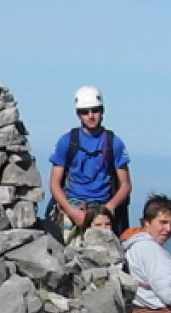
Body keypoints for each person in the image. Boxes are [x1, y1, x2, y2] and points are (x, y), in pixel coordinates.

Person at [48, 86, 131, 241]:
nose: (91, 116)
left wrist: (108, 209)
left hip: (102, 208)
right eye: (85, 112)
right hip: (73, 207)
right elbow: (54, 184)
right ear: (78, 114)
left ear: (102, 111)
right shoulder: (67, 142)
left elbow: (125, 184)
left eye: (95, 110)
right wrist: (72, 212)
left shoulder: (114, 143)